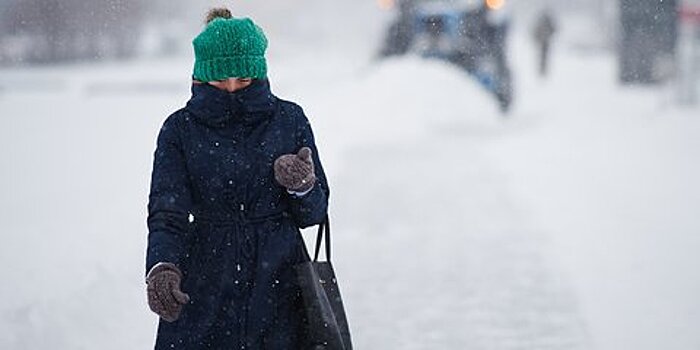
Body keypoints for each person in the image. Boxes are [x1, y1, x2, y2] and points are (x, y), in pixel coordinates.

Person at [144, 8, 330, 349]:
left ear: (258, 72)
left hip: (280, 284)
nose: (231, 89)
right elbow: (167, 213)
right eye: (220, 80)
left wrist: (302, 187)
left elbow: (314, 213)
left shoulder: (289, 119)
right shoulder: (179, 129)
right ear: (201, 76)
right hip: (204, 283)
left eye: (243, 79)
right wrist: (161, 265)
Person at [533, 10, 556, 77]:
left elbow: (535, 31)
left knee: (543, 56)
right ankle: (542, 69)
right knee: (543, 56)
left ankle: (543, 69)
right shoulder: (547, 22)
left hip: (544, 41)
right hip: (544, 41)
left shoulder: (543, 22)